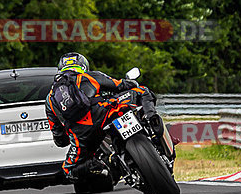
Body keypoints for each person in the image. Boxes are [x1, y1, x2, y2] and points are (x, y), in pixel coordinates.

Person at [45, 52, 161, 181]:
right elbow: (121, 85)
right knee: (142, 90)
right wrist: (131, 84)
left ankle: (104, 167)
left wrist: (67, 138)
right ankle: (151, 119)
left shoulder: (50, 98)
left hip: (81, 134)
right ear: (83, 66)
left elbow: (58, 136)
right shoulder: (91, 76)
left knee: (69, 170)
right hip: (104, 113)